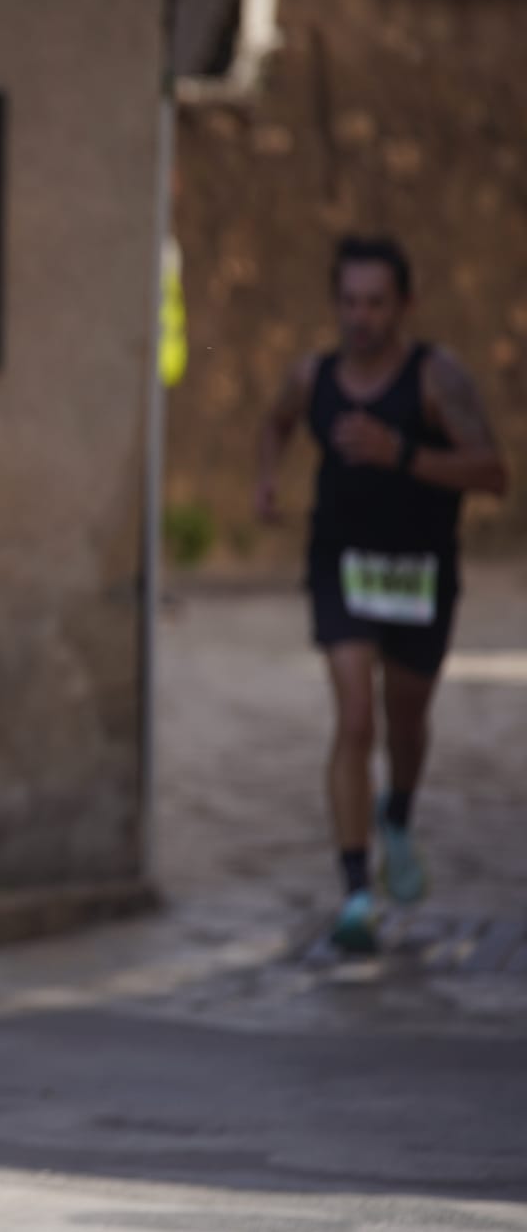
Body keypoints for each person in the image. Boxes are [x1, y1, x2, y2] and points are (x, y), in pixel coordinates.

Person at [256, 236, 509, 955]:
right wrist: (266, 477)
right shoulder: (312, 375)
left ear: (404, 305)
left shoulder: (436, 378)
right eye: (349, 302)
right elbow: (274, 422)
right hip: (340, 562)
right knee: (355, 716)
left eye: (375, 303)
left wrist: (401, 453)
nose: (360, 317)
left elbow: (493, 472)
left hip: (419, 571)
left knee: (403, 722)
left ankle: (396, 815)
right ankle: (356, 891)